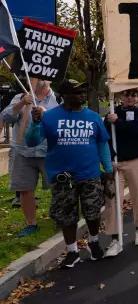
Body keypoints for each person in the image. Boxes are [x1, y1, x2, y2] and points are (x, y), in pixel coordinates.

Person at [27, 80, 112, 268]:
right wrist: (34, 123)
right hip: (63, 177)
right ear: (64, 96)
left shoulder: (94, 117)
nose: (82, 95)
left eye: (84, 91)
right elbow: (32, 141)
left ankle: (93, 241)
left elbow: (102, 144)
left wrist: (108, 169)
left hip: (90, 174)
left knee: (93, 211)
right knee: (67, 216)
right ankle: (72, 251)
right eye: (77, 92)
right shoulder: (49, 117)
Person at [1, 80, 59, 237]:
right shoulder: (20, 97)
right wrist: (21, 103)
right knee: (25, 189)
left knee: (58, 187)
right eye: (36, 76)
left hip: (49, 152)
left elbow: (62, 123)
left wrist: (45, 114)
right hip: (22, 151)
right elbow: (5, 117)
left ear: (50, 78)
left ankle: (60, 218)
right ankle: (31, 223)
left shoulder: (58, 100)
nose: (40, 79)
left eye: (43, 76)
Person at [103, 88, 138, 256]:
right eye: (126, 95)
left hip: (135, 160)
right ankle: (115, 238)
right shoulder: (112, 113)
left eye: (133, 95)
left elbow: (137, 129)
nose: (130, 98)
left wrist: (118, 122)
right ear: (120, 96)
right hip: (117, 163)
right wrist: (110, 159)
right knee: (114, 200)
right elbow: (105, 138)